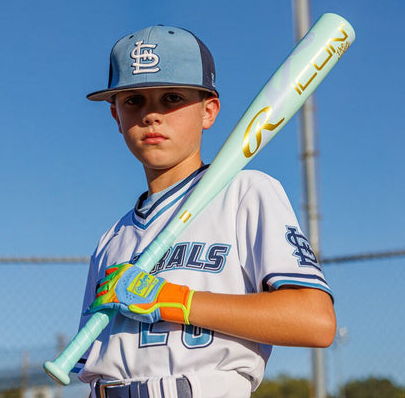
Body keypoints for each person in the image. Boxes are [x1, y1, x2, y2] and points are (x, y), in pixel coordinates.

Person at [74, 25, 336, 398]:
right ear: (116, 116)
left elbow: (315, 320)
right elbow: (95, 363)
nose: (151, 115)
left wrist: (174, 300)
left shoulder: (246, 193)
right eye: (134, 100)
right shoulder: (112, 241)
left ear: (208, 110)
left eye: (172, 97)